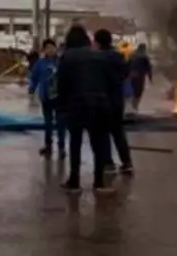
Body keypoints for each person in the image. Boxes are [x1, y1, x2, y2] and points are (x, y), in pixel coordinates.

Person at [56, 24, 115, 195]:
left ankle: (74, 182)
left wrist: (62, 107)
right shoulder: (99, 55)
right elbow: (110, 81)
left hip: (77, 104)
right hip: (100, 103)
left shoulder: (68, 56)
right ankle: (99, 182)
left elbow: (62, 83)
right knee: (98, 144)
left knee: (75, 143)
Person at [94, 29, 134, 175]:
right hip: (117, 100)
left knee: (103, 132)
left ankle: (108, 163)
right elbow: (126, 74)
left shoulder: (98, 59)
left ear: (97, 42)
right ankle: (127, 163)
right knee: (118, 132)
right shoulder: (120, 57)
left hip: (103, 100)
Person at [28, 38, 65, 159]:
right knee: (48, 123)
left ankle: (61, 147)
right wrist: (31, 91)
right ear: (44, 50)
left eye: (52, 47)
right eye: (47, 48)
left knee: (61, 123)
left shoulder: (61, 62)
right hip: (46, 97)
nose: (50, 50)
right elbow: (34, 78)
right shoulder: (40, 64)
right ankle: (48, 146)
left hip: (59, 97)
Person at [129, 43, 153, 112]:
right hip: (139, 77)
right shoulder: (144, 57)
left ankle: (133, 107)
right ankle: (135, 107)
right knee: (138, 93)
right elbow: (149, 69)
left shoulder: (132, 55)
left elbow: (127, 66)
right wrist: (150, 78)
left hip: (132, 77)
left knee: (133, 92)